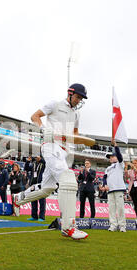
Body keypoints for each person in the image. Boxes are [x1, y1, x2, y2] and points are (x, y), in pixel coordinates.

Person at [12, 83, 89, 240]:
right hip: (50, 146)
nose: (78, 100)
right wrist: (42, 128)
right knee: (68, 180)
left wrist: (78, 140)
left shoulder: (76, 115)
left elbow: (75, 133)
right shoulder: (55, 104)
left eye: (81, 99)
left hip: (64, 152)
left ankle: (18, 198)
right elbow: (35, 116)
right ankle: (68, 226)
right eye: (77, 97)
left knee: (48, 188)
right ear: (70, 93)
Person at [100, 139, 127, 232]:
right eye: (110, 157)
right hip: (110, 190)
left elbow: (120, 156)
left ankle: (122, 226)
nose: (111, 158)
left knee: (120, 207)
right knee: (111, 208)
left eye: (112, 156)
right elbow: (104, 178)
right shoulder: (108, 168)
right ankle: (113, 225)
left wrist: (116, 146)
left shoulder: (120, 164)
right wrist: (105, 185)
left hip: (118, 188)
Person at [26, 156, 46, 221]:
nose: (36, 159)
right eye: (36, 158)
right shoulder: (33, 164)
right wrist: (28, 161)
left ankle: (41, 217)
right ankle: (34, 216)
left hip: (40, 184)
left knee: (42, 201)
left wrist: (41, 160)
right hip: (33, 184)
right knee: (33, 200)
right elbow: (26, 168)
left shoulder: (43, 164)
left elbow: (46, 163)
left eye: (38, 158)